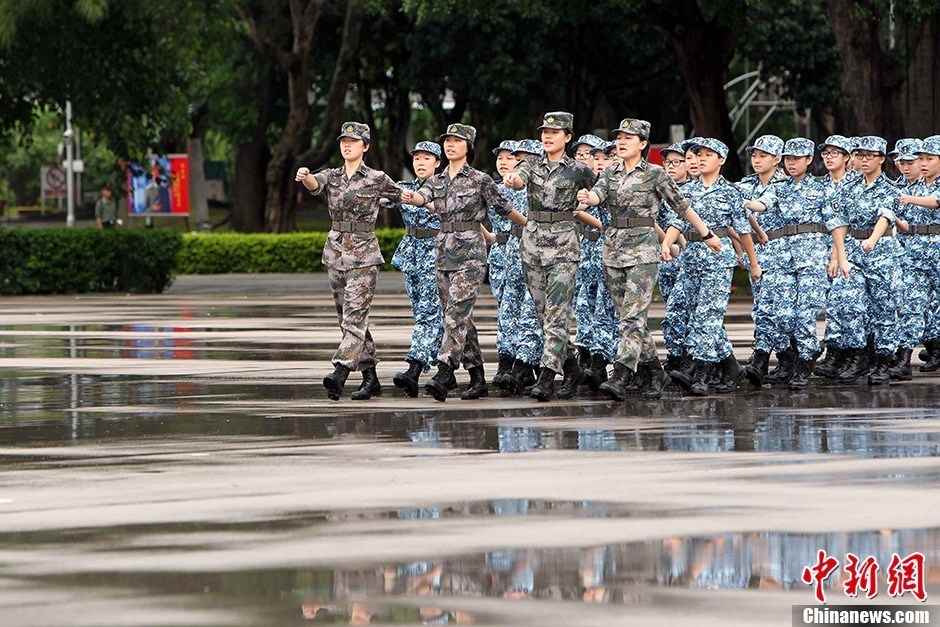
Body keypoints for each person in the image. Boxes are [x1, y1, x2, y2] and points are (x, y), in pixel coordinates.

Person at [577, 119, 720, 400]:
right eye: (619, 137)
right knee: (629, 318)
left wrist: (706, 234)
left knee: (631, 317)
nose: (621, 141)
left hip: (644, 251)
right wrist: (588, 196)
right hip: (614, 250)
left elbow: (682, 207)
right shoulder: (610, 173)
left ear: (643, 144)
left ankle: (621, 374)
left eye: (629, 138)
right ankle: (655, 371)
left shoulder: (655, 174)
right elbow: (597, 195)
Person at [403, 123, 527, 402]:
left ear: (468, 147)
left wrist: (530, 227)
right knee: (461, 317)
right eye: (447, 140)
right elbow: (426, 197)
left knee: (455, 313)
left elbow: (505, 209)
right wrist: (416, 197)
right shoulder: (438, 180)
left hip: (471, 253)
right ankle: (477, 376)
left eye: (457, 141)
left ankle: (445, 370)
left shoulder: (480, 180)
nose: (450, 145)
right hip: (443, 253)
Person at [295, 122, 403, 401]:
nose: (347, 145)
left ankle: (340, 372)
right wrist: (305, 175)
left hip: (364, 254)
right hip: (336, 252)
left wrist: (431, 199)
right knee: (349, 320)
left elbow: (403, 195)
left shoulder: (377, 177)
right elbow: (315, 184)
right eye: (344, 140)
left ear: (365, 146)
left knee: (354, 317)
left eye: (354, 141)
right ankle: (371, 378)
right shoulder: (333, 176)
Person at [503, 111, 603, 401]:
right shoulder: (530, 165)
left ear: (568, 137)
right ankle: (571, 368)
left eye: (554, 132)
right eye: (544, 131)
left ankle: (547, 378)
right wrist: (512, 179)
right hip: (532, 245)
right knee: (544, 314)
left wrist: (592, 203)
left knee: (557, 314)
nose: (547, 136)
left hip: (563, 247)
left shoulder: (579, 170)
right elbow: (519, 179)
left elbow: (603, 190)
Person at [661, 138, 761, 396]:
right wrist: (667, 245)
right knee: (685, 314)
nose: (701, 158)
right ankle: (731, 368)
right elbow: (676, 222)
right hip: (690, 258)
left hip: (718, 260)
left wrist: (753, 263)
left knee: (707, 317)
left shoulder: (730, 193)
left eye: (708, 154)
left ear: (722, 160)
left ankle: (700, 375)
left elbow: (743, 231)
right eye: (697, 154)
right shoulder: (688, 191)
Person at [751, 138, 841, 389]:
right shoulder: (780, 187)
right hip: (784, 257)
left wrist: (835, 255)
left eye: (797, 159)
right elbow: (762, 203)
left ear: (809, 160)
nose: (791, 163)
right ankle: (796, 356)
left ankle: (805, 360)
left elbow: (836, 224)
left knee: (805, 314)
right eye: (788, 159)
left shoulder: (823, 188)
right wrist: (745, 203)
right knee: (782, 313)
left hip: (813, 256)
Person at [825, 136, 902, 385]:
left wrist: (872, 239)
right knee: (849, 302)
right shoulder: (849, 187)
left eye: (870, 155)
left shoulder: (890, 188)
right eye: (860, 155)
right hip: (852, 250)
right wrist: (840, 256)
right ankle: (857, 354)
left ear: (881, 158)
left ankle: (883, 358)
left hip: (882, 250)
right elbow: (838, 222)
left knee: (883, 306)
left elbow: (886, 216)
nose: (864, 160)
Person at [390, 141, 446, 397]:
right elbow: (378, 196)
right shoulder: (404, 188)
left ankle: (416, 365)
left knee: (430, 313)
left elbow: (450, 210)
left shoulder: (446, 186)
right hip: (412, 253)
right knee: (421, 312)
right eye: (417, 159)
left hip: (436, 252)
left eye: (426, 158)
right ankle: (443, 366)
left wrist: (422, 201)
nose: (420, 163)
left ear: (437, 162)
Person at [570, 134, 619, 395]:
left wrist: (583, 215)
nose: (599, 163)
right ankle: (588, 357)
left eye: (605, 158)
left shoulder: (617, 186)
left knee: (605, 310)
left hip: (612, 251)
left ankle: (603, 364)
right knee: (584, 307)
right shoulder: (590, 186)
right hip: (587, 251)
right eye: (595, 158)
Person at [736, 135, 786, 386]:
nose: (757, 160)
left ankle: (780, 358)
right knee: (762, 307)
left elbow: (761, 205)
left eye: (763, 155)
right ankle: (763, 358)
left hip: (782, 252)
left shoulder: (785, 185)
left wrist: (738, 200)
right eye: (754, 155)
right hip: (757, 252)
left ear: (777, 159)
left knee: (779, 308)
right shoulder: (747, 184)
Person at [813, 135, 857, 379]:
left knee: (848, 305)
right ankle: (835, 352)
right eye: (826, 153)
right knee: (832, 306)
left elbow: (845, 225)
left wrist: (836, 256)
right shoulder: (820, 185)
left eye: (835, 153)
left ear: (847, 157)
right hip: (820, 251)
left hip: (847, 251)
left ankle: (851, 353)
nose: (829, 157)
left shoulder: (854, 185)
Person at [897, 136, 940, 373]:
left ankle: (936, 349)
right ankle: (903, 360)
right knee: (912, 304)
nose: (923, 163)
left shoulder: (911, 194)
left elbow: (936, 201)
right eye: (920, 158)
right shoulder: (912, 187)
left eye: (929, 159)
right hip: (915, 252)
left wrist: (908, 199)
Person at [486, 140, 526, 387]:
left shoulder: (525, 190)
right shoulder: (493, 189)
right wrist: (489, 236)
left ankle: (523, 362)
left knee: (523, 310)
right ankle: (506, 360)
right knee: (505, 311)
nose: (503, 161)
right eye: (500, 157)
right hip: (500, 253)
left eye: (509, 157)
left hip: (523, 250)